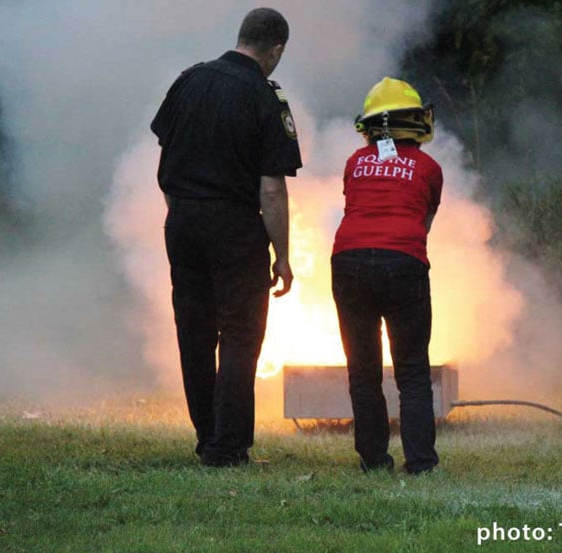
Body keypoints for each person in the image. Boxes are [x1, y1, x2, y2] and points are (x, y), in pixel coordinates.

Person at [150, 8, 302, 467]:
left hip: (181, 220)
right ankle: (228, 446)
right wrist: (283, 255)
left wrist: (181, 213)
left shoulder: (188, 81)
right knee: (239, 334)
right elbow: (271, 189)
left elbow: (166, 154)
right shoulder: (265, 96)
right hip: (234, 227)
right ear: (274, 50)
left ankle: (205, 436)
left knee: (194, 332)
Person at [331, 77, 442, 474]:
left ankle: (373, 459)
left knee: (363, 369)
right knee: (412, 370)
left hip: (348, 261)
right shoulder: (429, 167)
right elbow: (423, 222)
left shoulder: (353, 163)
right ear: (415, 119)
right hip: (403, 263)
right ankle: (421, 463)